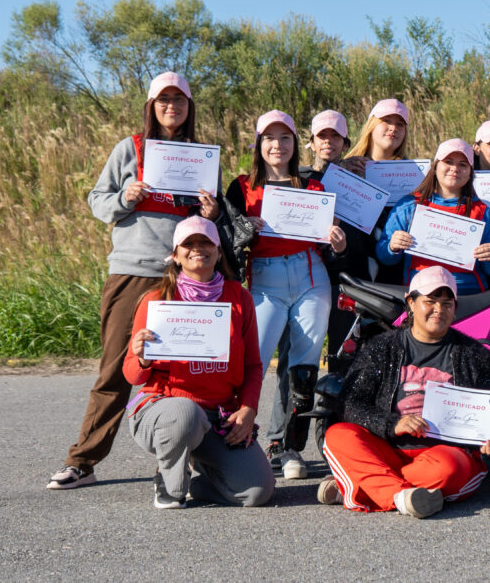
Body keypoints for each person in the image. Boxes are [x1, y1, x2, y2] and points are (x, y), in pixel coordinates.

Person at [48, 71, 221, 490]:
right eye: (164, 100)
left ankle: (189, 456)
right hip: (132, 270)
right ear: (151, 105)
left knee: (187, 365)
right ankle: (83, 461)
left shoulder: (201, 156)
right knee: (116, 368)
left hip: (182, 276)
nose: (171, 107)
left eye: (180, 100)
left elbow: (210, 222)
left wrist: (212, 213)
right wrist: (124, 198)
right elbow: (97, 200)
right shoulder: (130, 149)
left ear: (189, 107)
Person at [318, 267, 490, 517]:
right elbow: (350, 404)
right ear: (411, 302)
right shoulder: (382, 348)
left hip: (442, 454)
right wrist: (392, 424)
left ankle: (364, 485)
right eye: (430, 301)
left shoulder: (475, 355)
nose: (439, 310)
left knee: (451, 469)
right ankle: (400, 496)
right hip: (388, 448)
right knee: (338, 436)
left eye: (447, 303)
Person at [224, 110, 347, 480]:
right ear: (258, 144)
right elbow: (226, 241)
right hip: (265, 279)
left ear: (296, 145)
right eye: (269, 138)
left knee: (305, 367)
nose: (277, 145)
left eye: (285, 138)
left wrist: (337, 242)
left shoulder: (313, 188)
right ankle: (234, 435)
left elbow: (329, 241)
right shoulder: (241, 186)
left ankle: (289, 446)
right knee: (253, 361)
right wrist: (245, 227)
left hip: (310, 275)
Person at [124, 216, 275, 508]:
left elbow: (253, 366)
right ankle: (168, 482)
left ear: (219, 252)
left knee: (257, 493)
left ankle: (198, 477)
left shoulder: (239, 299)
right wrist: (142, 359)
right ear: (176, 255)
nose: (198, 249)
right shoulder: (157, 300)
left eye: (206, 242)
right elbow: (132, 376)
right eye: (188, 244)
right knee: (185, 413)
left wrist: (248, 410)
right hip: (164, 409)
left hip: (218, 414)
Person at [265, 110, 374, 478]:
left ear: (346, 142)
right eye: (322, 136)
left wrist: (366, 175)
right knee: (294, 361)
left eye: (336, 137)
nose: (329, 142)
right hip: (303, 278)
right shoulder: (298, 179)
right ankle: (280, 440)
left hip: (345, 281)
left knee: (341, 362)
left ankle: (333, 439)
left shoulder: (358, 178)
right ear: (310, 142)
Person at [376, 138, 490, 294]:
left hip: (470, 296)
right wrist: (392, 247)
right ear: (435, 165)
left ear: (470, 172)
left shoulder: (482, 211)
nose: (455, 168)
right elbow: (383, 256)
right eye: (448, 162)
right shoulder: (409, 206)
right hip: (422, 295)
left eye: (463, 165)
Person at [342, 98, 410, 286]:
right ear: (372, 125)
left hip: (396, 275)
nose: (393, 128)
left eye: (399, 124)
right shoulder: (348, 166)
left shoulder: (415, 175)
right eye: (386, 121)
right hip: (355, 274)